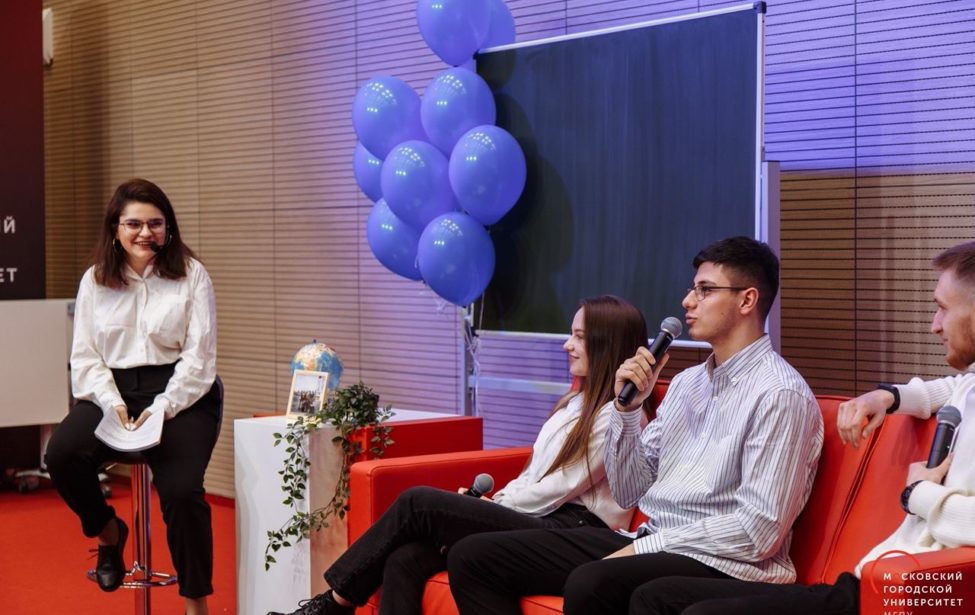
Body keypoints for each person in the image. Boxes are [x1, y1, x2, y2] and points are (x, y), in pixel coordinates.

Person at [446, 236, 824, 614]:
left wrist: (649, 546)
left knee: (593, 583)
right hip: (654, 540)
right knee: (474, 557)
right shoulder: (686, 384)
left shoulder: (779, 394)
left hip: (727, 563)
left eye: (705, 290)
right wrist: (627, 411)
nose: (688, 301)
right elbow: (629, 491)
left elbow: (758, 530)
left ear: (747, 300)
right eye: (692, 289)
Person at [621, 239, 975, 615]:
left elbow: (759, 529)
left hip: (920, 587)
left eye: (943, 308)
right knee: (645, 593)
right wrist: (886, 396)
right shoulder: (967, 385)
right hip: (878, 576)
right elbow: (952, 386)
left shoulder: (779, 391)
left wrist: (919, 494)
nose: (934, 325)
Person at [268, 295, 653, 615]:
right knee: (405, 557)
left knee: (419, 504)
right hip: (540, 516)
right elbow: (534, 475)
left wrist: (495, 505)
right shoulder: (574, 403)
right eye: (571, 334)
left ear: (606, 343)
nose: (567, 344)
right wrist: (490, 503)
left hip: (573, 529)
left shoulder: (619, 415)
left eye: (579, 337)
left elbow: (558, 488)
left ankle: (331, 606)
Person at [45, 179, 221, 615]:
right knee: (62, 455)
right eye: (134, 224)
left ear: (169, 227)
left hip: (182, 393)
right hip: (112, 389)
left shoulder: (192, 274)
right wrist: (114, 404)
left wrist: (162, 407)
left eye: (155, 223)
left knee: (183, 493)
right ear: (116, 229)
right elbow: (85, 357)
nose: (145, 233)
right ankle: (108, 532)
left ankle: (195, 601)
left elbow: (199, 358)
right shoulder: (95, 280)